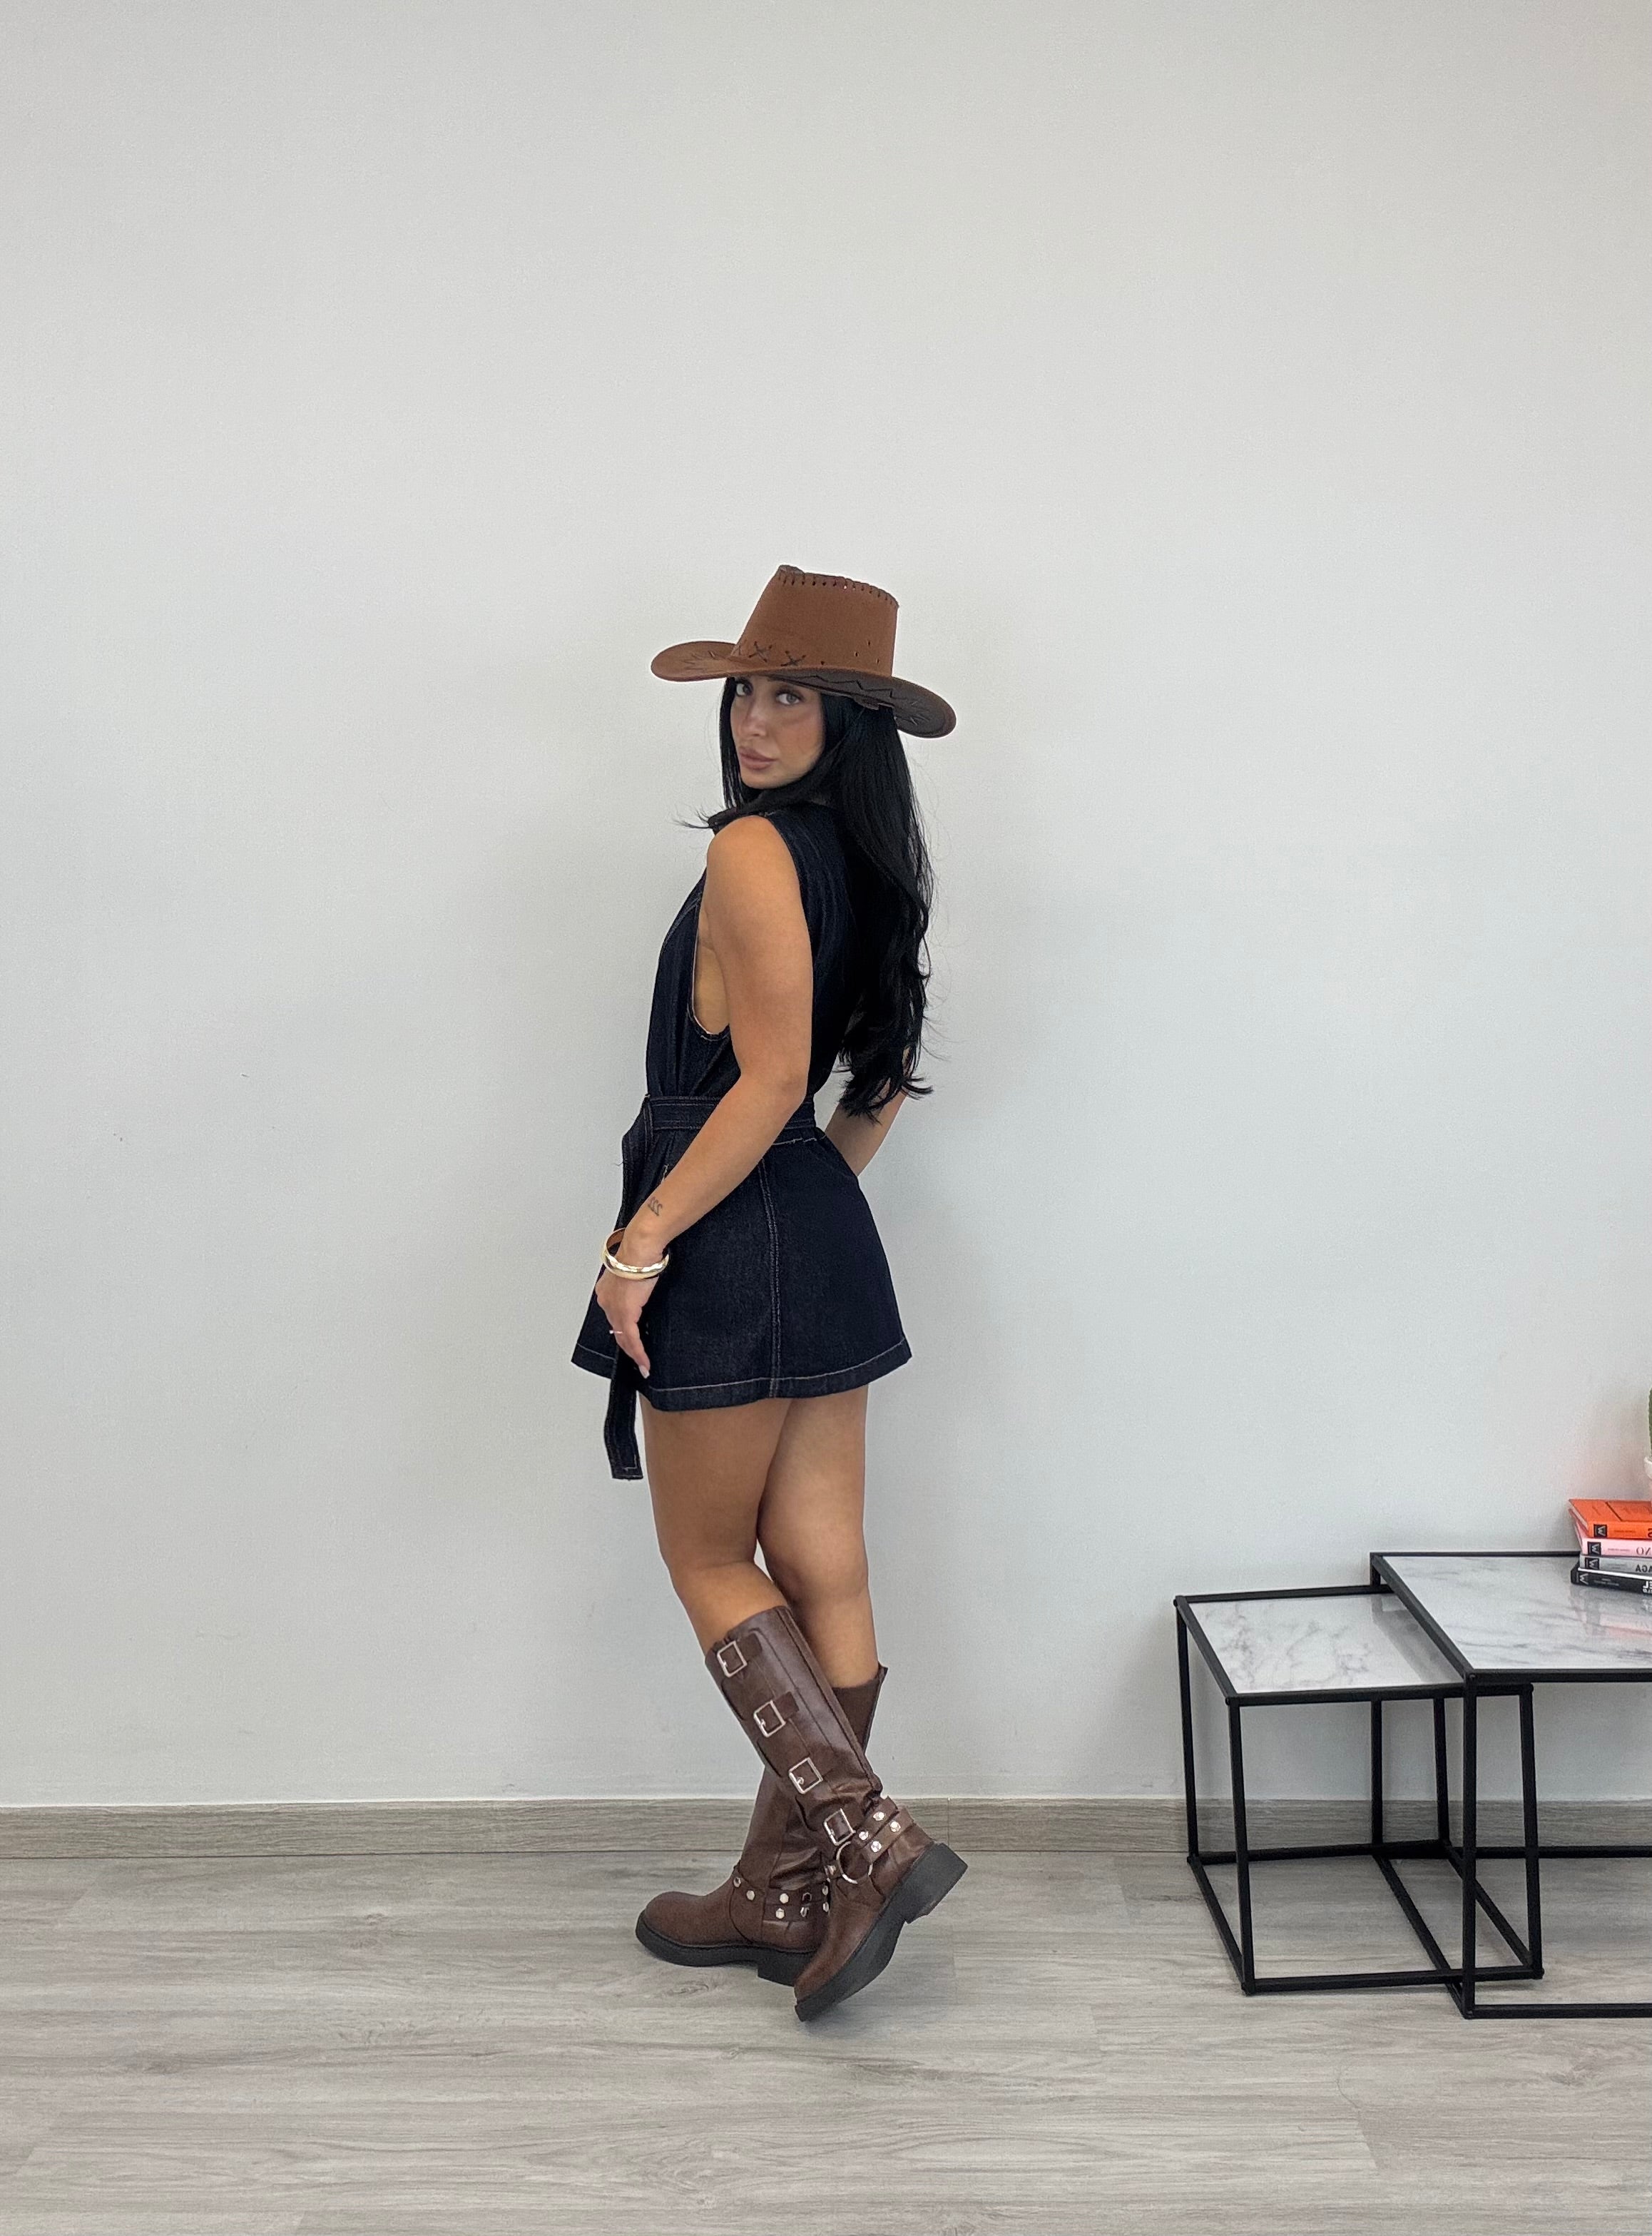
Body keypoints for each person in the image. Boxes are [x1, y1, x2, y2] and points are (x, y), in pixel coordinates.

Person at [570, 565, 967, 2021]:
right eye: (747, 690)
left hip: (728, 1236)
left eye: (791, 693)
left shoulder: (750, 851)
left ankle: (867, 1836)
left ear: (850, 721)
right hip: (814, 1225)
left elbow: (770, 1079)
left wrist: (641, 1244)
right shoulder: (866, 867)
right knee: (823, 1563)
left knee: (709, 1555)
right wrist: (809, 1197)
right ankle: (781, 1891)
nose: (754, 718)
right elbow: (873, 1085)